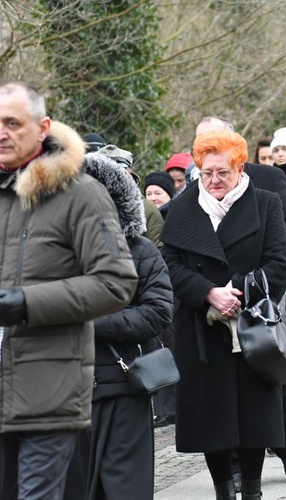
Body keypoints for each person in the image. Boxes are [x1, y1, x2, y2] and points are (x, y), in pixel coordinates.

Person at [0, 81, 138, 500]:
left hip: (49, 395)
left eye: (12, 123)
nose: (1, 132)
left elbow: (117, 282)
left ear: (42, 128)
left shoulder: (82, 195)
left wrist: (26, 304)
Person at [161, 129, 286, 499]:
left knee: (254, 416)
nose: (214, 181)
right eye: (206, 173)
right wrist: (207, 293)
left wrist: (236, 293)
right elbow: (169, 264)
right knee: (209, 417)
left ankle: (251, 489)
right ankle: (223, 490)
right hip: (200, 330)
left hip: (251, 327)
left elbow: (280, 264)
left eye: (223, 173)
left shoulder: (265, 203)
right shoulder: (183, 207)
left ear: (240, 168)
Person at [195, 116, 286, 482]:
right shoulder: (197, 188)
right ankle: (232, 461)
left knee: (271, 370)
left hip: (262, 296)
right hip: (215, 307)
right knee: (225, 388)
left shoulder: (267, 180)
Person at [64, 152, 173, 500]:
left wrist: (93, 323)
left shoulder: (141, 251)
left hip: (123, 388)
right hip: (61, 393)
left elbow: (158, 311)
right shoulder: (48, 254)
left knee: (125, 489)